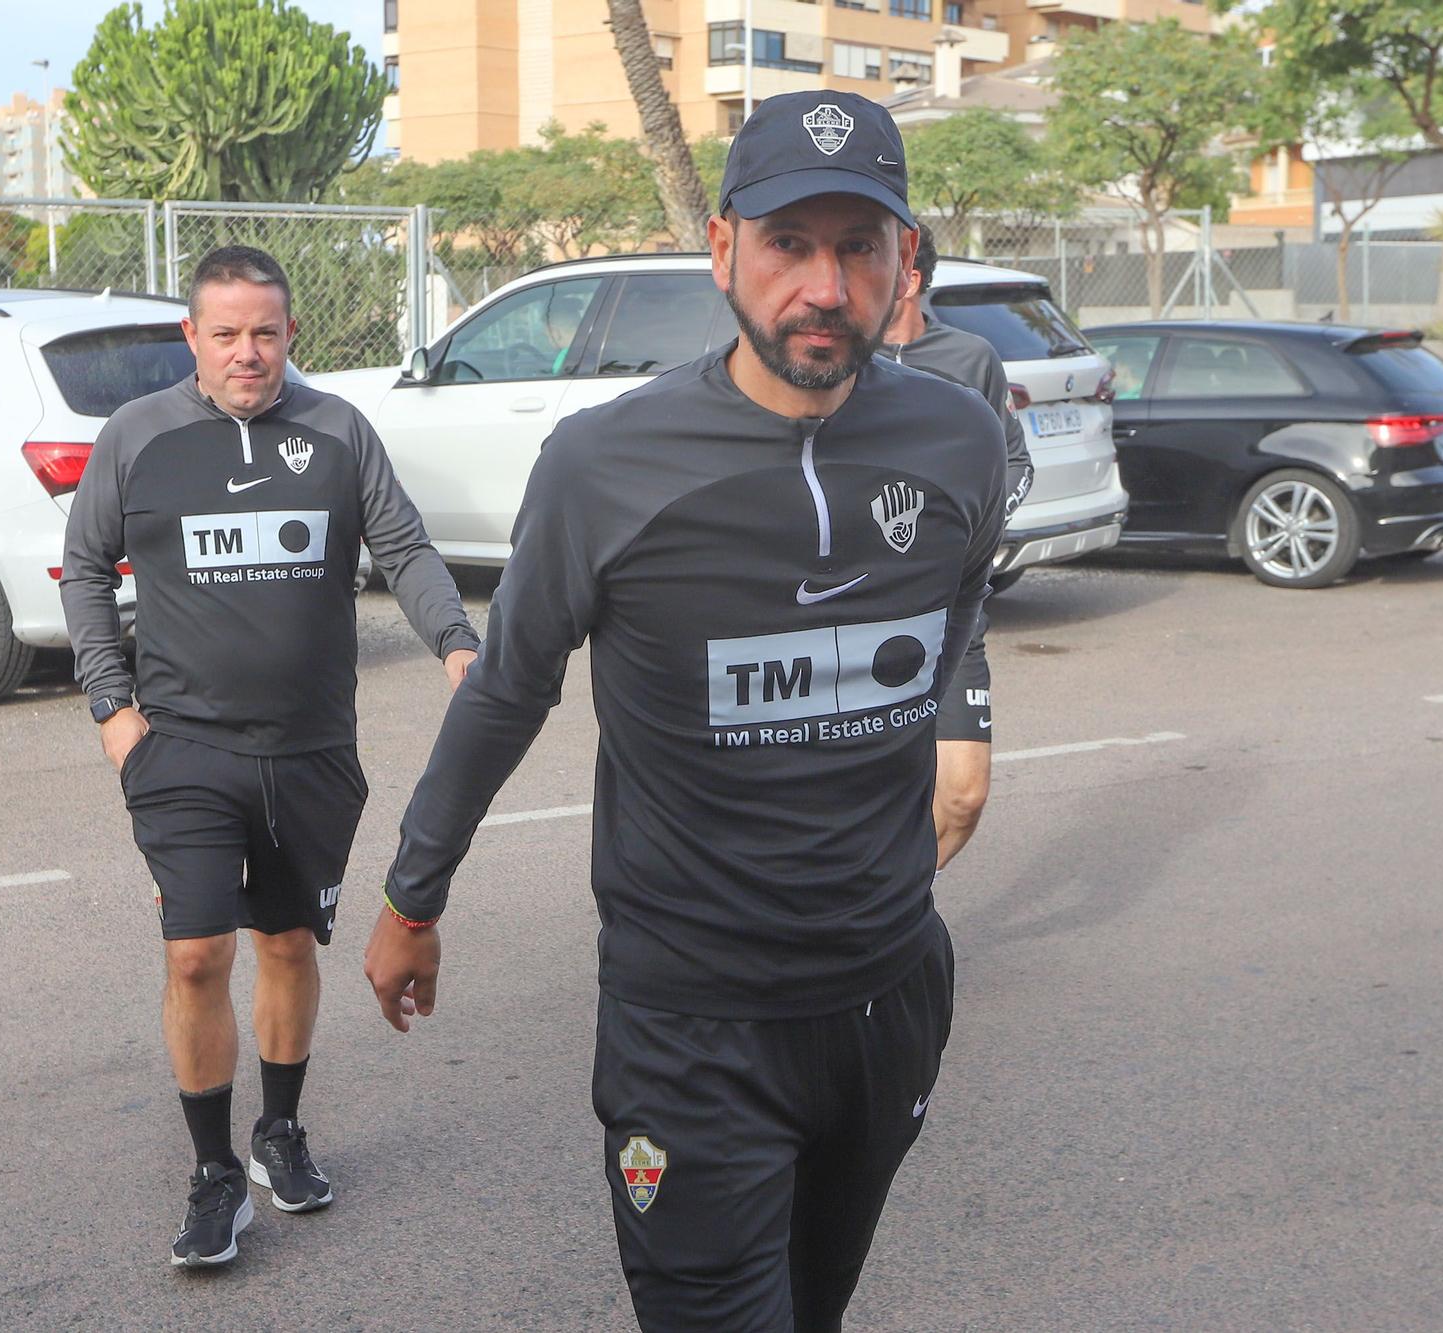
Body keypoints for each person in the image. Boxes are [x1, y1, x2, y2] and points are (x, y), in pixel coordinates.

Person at [365, 92, 1005, 1330]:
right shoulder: (607, 462)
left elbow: (955, 609)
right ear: (721, 250)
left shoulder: (961, 439)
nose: (823, 286)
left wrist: (951, 739)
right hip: (692, 1025)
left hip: (886, 998)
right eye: (787, 244)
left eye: (858, 246)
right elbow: (507, 689)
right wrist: (411, 892)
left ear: (901, 262)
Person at [60, 244, 480, 1268]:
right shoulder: (138, 437)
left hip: (310, 753)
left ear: (289, 333)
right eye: (225, 333)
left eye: (265, 332)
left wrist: (459, 646)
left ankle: (278, 1132)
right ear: (190, 338)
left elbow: (406, 548)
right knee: (197, 952)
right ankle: (212, 1174)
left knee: (288, 947)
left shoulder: (336, 429)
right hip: (183, 752)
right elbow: (81, 568)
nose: (247, 352)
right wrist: (115, 711)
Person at [880, 232, 1034, 869]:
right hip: (858, 619)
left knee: (964, 796)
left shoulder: (971, 358)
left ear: (909, 278)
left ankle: (893, 905)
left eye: (868, 258)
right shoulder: (834, 360)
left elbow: (1015, 462)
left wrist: (976, 535)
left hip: (952, 620)